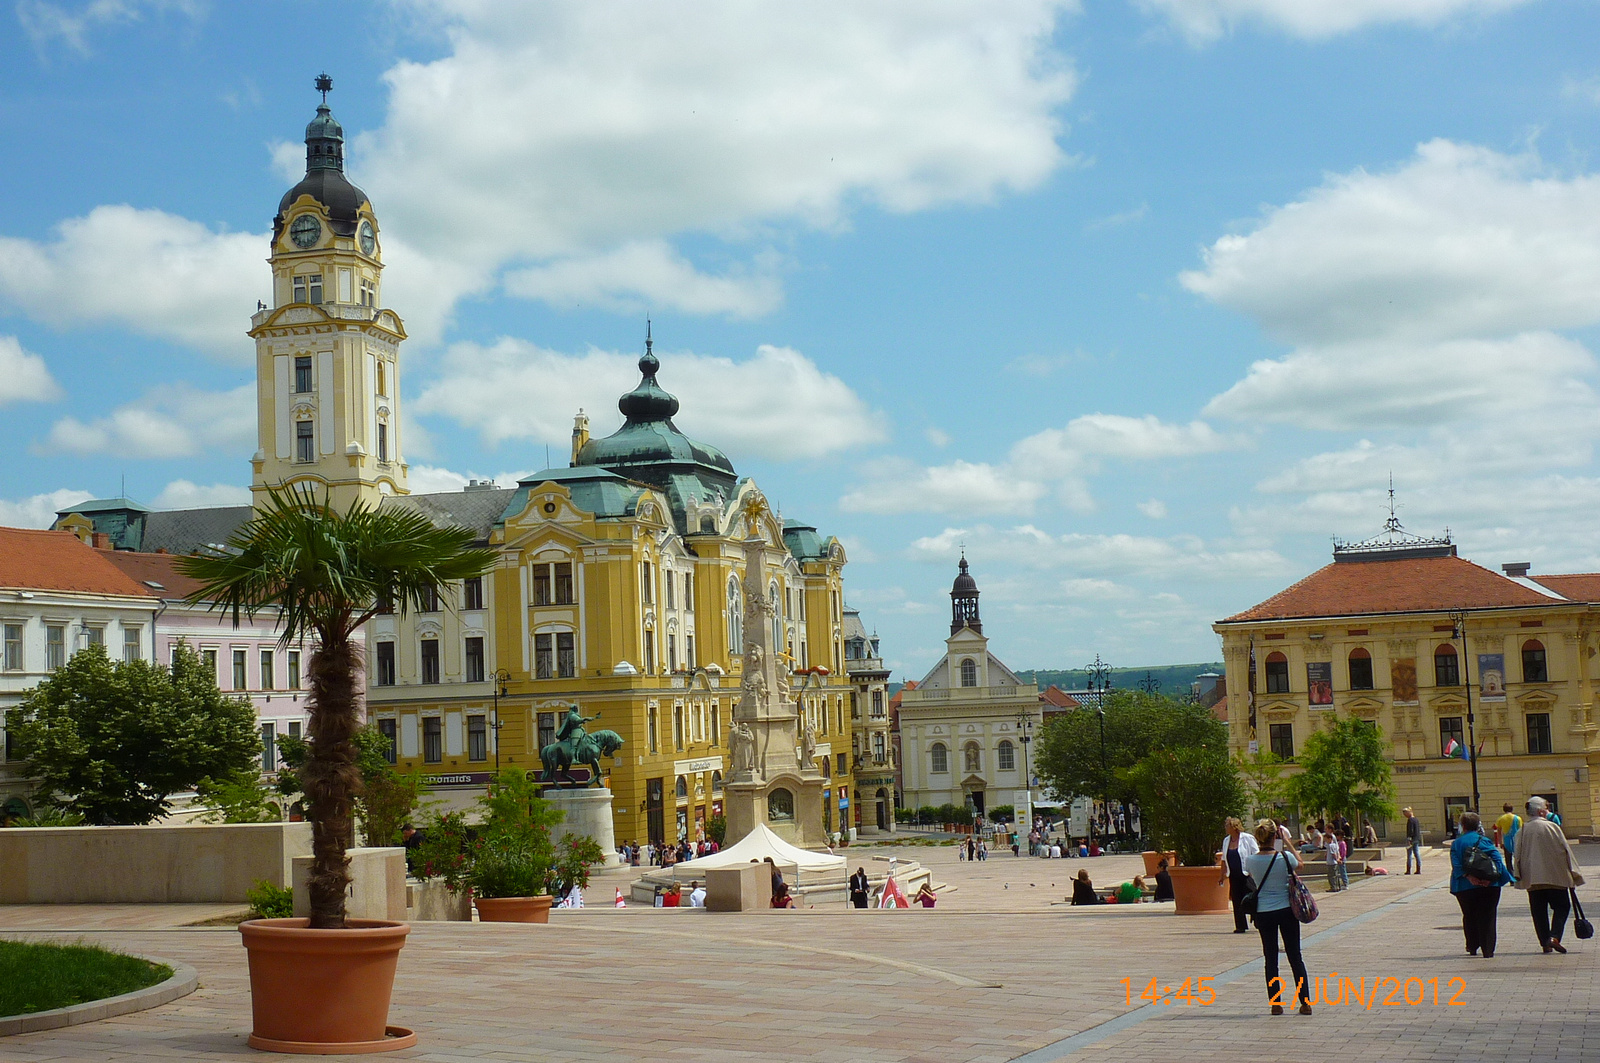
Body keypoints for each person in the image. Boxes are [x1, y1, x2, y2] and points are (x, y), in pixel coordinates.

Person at [1246, 819, 1312, 1015]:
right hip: (1286, 910)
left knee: (1270, 958)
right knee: (1295, 957)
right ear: (1275, 836)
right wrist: (1288, 843)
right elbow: (1300, 864)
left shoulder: (1251, 861)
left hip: (1264, 912)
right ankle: (1305, 1002)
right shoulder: (1285, 858)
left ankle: (1275, 1003)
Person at [1514, 796, 1585, 953]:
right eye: (1546, 808)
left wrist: (1518, 874)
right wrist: (1574, 874)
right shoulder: (1553, 827)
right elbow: (1566, 850)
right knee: (1562, 907)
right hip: (1556, 877)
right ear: (1541, 811)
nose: (1548, 811)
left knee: (1538, 912)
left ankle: (1545, 943)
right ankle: (1554, 936)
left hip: (1533, 879)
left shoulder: (1522, 830)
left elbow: (1517, 854)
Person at [1449, 811, 1511, 958]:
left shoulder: (1457, 843)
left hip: (1464, 886)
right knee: (1488, 916)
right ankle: (1488, 949)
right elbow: (1497, 859)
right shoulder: (1484, 841)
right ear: (1478, 825)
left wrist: (1469, 877)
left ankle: (1472, 945)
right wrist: (1491, 879)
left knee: (1469, 915)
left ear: (1462, 826)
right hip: (1489, 886)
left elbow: (1456, 864)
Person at [1219, 816, 1259, 933]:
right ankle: (1240, 925)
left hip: (1247, 874)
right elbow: (1223, 859)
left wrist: (1254, 870)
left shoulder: (1247, 838)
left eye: (1227, 825)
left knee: (1251, 897)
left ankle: (1257, 918)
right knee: (1236, 900)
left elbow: (1256, 854)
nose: (1226, 828)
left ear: (1234, 827)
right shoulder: (1226, 840)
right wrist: (1222, 875)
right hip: (1233, 874)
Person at [1403, 807, 1424, 874]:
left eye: (1405, 813)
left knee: (1409, 855)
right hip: (1416, 839)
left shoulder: (1410, 820)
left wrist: (1409, 839)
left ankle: (1408, 870)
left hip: (1412, 839)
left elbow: (1411, 831)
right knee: (1417, 854)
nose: (1405, 815)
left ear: (1409, 812)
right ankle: (1418, 869)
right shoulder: (1416, 820)